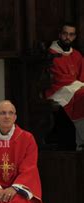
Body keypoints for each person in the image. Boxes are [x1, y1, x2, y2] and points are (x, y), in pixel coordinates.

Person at [45, 22, 84, 150]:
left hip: (75, 87)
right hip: (58, 89)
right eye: (65, 34)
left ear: (74, 37)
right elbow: (57, 77)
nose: (68, 37)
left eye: (71, 34)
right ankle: (81, 140)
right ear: (60, 35)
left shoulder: (77, 55)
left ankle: (80, 142)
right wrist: (79, 85)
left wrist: (80, 84)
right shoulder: (52, 54)